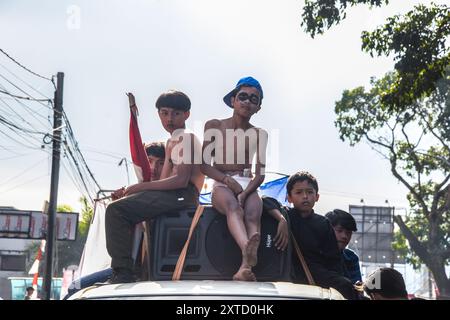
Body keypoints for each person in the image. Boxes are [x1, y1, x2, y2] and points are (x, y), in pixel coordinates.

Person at [105, 90, 204, 284]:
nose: (169, 118)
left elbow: (181, 180)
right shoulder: (171, 142)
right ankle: (135, 268)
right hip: (173, 195)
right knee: (123, 206)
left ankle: (123, 271)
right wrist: (139, 190)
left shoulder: (186, 137)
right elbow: (163, 180)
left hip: (185, 194)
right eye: (164, 113)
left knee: (116, 210)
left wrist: (139, 189)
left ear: (187, 115)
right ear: (159, 114)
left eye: (176, 113)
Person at [201, 76, 268, 281]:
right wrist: (227, 181)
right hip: (222, 182)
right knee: (233, 207)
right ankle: (246, 247)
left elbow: (261, 173)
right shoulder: (214, 125)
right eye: (243, 97)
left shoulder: (260, 134)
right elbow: (203, 165)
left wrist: (246, 192)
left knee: (253, 212)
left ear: (258, 107)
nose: (247, 102)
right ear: (233, 100)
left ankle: (244, 269)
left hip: (248, 184)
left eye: (254, 99)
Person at [262, 171, 358, 299]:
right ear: (289, 197)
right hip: (287, 273)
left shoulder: (323, 223)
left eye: (309, 192)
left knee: (345, 286)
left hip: (316, 275)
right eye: (299, 192)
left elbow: (333, 261)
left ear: (317, 197)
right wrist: (281, 220)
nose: (305, 196)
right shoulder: (286, 215)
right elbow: (264, 200)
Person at [325, 209, 362, 284]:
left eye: (348, 232)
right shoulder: (314, 254)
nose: (344, 236)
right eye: (339, 231)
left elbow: (357, 288)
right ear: (326, 229)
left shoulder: (352, 258)